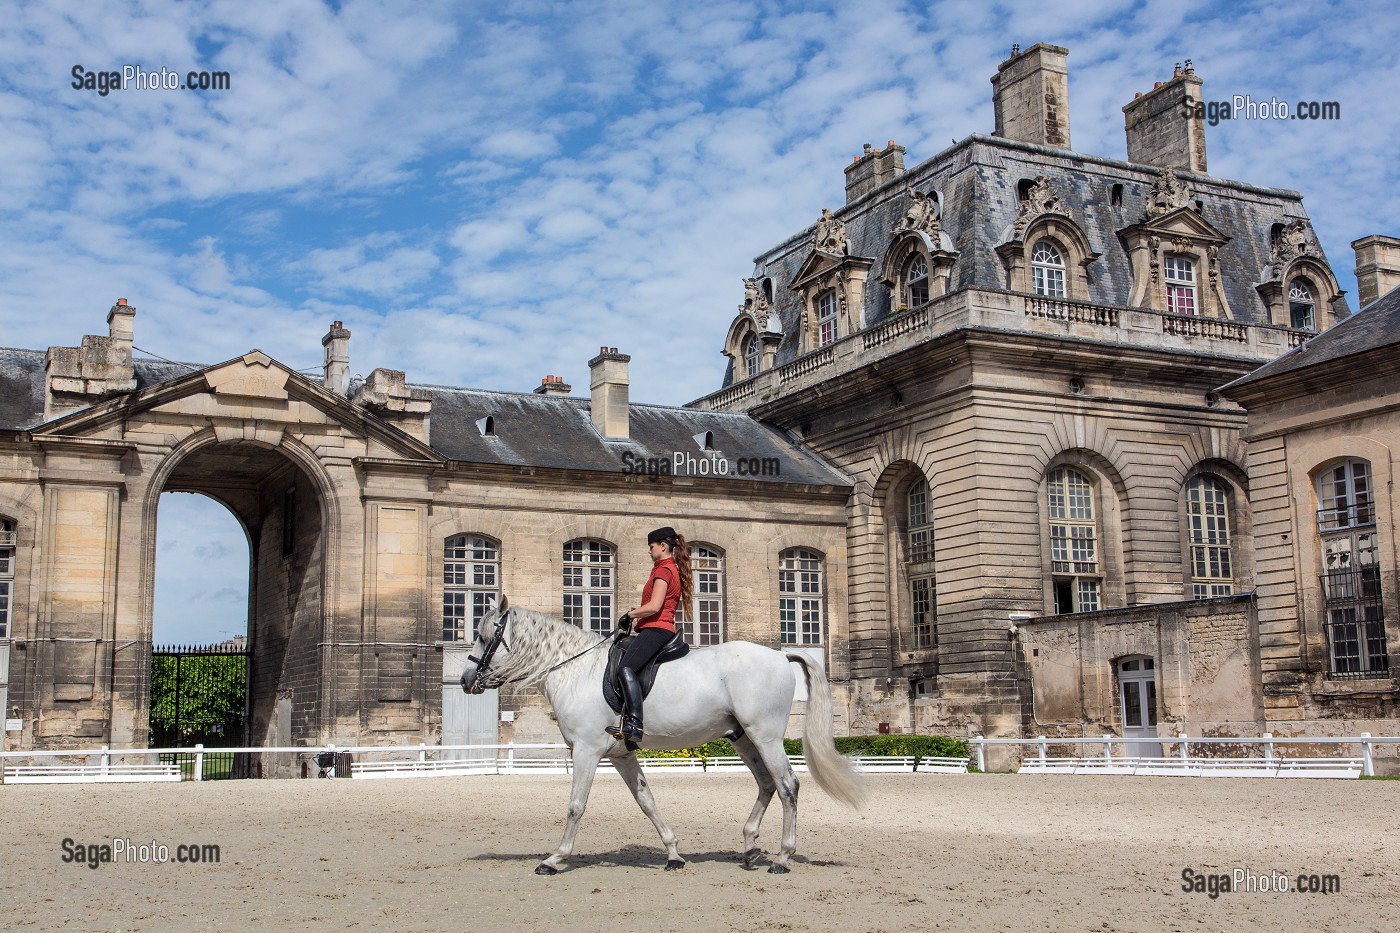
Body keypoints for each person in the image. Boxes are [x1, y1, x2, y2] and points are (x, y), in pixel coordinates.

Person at [606, 526, 694, 743]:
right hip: (655, 628)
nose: (649, 551)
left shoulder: (664, 570)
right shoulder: (667, 567)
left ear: (662, 546)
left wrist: (630, 614)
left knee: (626, 667)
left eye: (651, 546)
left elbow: (654, 606)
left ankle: (634, 723)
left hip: (658, 628)